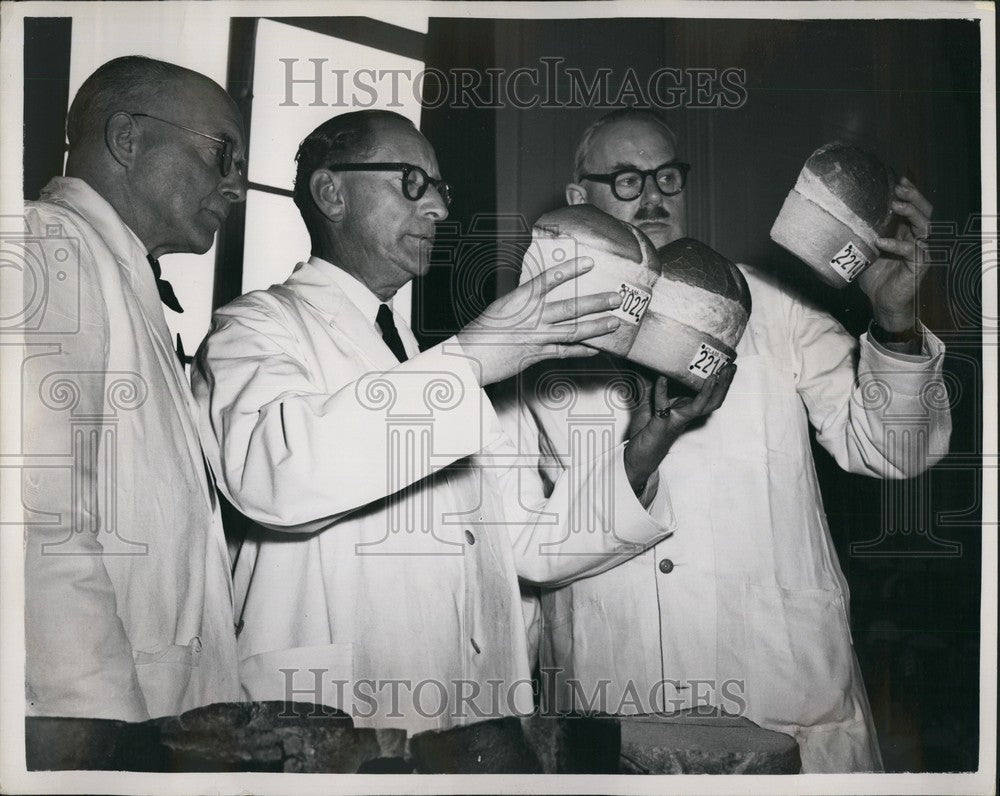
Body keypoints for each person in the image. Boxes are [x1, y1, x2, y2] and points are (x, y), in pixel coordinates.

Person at [191, 109, 726, 734]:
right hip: (335, 714)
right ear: (331, 192)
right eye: (411, 182)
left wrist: (647, 446)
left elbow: (528, 544)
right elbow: (272, 474)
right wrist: (471, 357)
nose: (440, 210)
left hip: (465, 721)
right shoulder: (253, 328)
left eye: (441, 189)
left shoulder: (421, 356)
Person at [524, 109, 951, 772]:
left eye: (667, 175)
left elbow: (894, 450)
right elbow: (527, 544)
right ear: (581, 198)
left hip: (778, 697)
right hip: (615, 700)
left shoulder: (773, 304)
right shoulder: (537, 345)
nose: (654, 195)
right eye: (627, 180)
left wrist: (895, 324)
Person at [20, 56, 248, 721]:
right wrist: (103, 737)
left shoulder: (116, 273)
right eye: (221, 154)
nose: (235, 186)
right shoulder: (50, 244)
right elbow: (39, 521)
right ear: (127, 139)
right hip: (103, 733)